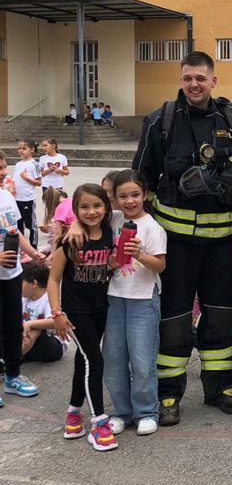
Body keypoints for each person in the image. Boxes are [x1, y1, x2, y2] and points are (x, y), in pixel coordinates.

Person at [132, 51, 232, 426]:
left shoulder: (231, 117)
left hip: (223, 244)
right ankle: (168, 393)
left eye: (201, 78)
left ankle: (219, 388)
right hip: (177, 244)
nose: (194, 84)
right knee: (175, 319)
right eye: (188, 78)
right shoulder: (160, 120)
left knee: (221, 315)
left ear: (214, 80)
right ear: (181, 80)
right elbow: (140, 178)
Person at [48, 184, 117, 451]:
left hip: (101, 308)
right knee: (94, 360)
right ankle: (99, 423)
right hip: (76, 312)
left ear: (106, 208)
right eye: (84, 207)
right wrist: (57, 313)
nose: (92, 212)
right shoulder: (69, 241)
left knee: (84, 359)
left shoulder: (109, 231)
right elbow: (53, 280)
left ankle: (73, 413)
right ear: (75, 210)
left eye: (97, 206)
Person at [103, 170, 167, 438]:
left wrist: (139, 254)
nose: (129, 201)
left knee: (142, 360)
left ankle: (146, 412)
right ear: (114, 198)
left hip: (143, 299)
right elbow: (83, 217)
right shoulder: (112, 219)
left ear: (145, 195)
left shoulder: (152, 227)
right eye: (123, 196)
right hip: (114, 298)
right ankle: (121, 412)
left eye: (135, 195)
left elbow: (160, 265)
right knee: (114, 359)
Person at [0, 150, 43, 410]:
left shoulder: (6, 196)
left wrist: (33, 253)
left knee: (13, 327)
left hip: (12, 274)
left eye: (4, 167)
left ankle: (13, 377)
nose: (3, 172)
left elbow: (15, 231)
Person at [21, 261, 67, 363]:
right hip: (29, 344)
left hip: (52, 346)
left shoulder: (49, 298)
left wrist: (29, 324)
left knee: (36, 328)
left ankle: (11, 359)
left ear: (34, 283)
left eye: (20, 283)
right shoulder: (24, 298)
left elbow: (55, 321)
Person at [14, 139, 42, 249]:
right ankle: (21, 247)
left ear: (32, 149)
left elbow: (39, 182)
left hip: (28, 199)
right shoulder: (18, 164)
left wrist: (26, 178)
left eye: (24, 148)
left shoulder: (34, 164)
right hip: (16, 199)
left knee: (31, 225)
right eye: (19, 148)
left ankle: (33, 247)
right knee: (18, 224)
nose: (21, 151)